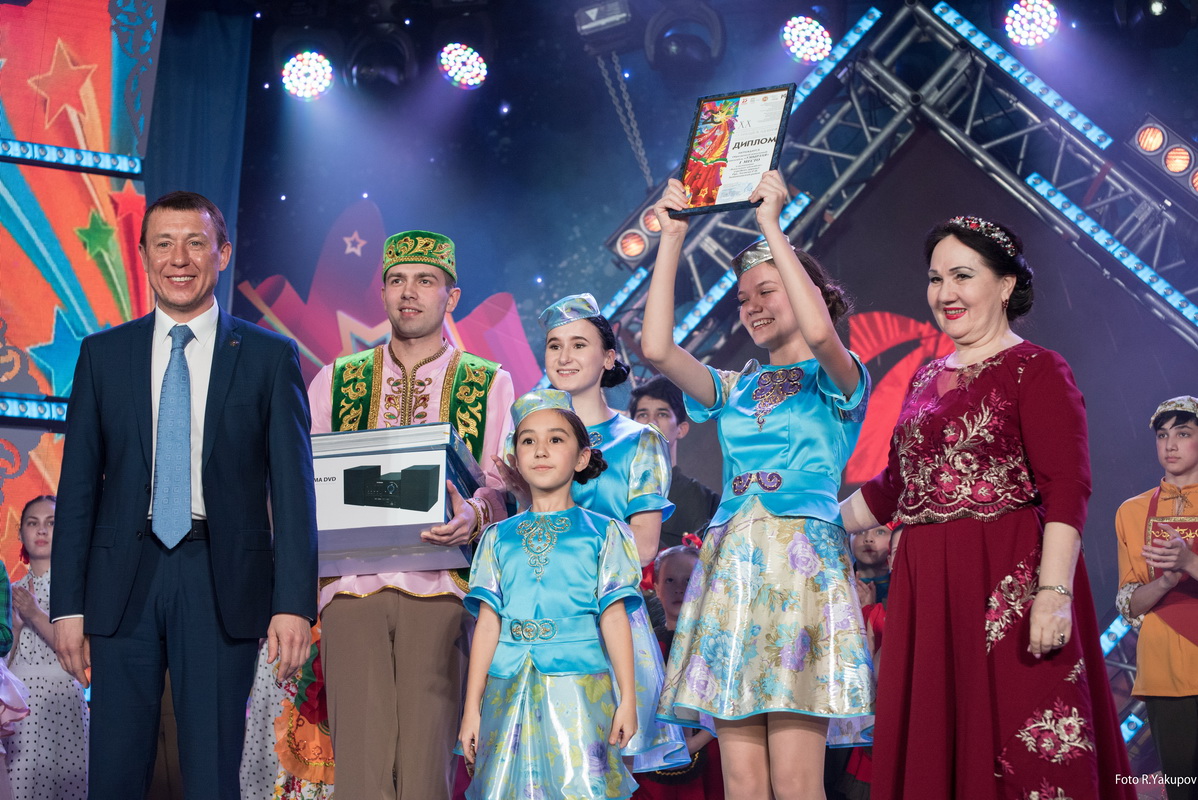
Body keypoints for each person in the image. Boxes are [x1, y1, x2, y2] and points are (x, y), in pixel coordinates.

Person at [838, 215, 1133, 800]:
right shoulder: (925, 378)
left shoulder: (1038, 368)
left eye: (962, 276)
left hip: (1008, 581)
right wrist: (802, 518)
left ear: (1005, 285)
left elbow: (1067, 487)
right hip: (927, 588)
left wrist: (1054, 593)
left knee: (1025, 741)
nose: (945, 292)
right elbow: (892, 487)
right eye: (935, 278)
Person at [51, 190, 318, 799]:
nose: (179, 258)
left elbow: (294, 491)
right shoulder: (103, 355)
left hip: (221, 581)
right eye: (164, 244)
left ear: (222, 253)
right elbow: (78, 489)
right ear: (143, 255)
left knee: (211, 774)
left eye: (196, 243)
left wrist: (294, 602)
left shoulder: (269, 357)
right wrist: (67, 605)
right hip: (121, 581)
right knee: (114, 772)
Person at [643, 170, 873, 800]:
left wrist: (772, 223)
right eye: (743, 298)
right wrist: (671, 238)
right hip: (733, 569)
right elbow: (658, 348)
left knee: (797, 780)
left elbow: (820, 334)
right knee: (741, 781)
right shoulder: (733, 388)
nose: (752, 306)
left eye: (767, 290)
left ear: (804, 292)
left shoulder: (839, 378)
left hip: (801, 569)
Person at [306, 229, 515, 799]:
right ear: (382, 292)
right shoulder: (337, 378)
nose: (409, 292)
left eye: (426, 280)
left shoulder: (488, 382)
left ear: (452, 296)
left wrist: (475, 514)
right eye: (397, 280)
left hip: (445, 587)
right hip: (351, 588)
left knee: (427, 770)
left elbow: (504, 486)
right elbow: (307, 479)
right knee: (360, 772)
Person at [509, 292, 688, 771]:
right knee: (539, 767)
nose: (564, 356)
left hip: (602, 617)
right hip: (535, 614)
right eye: (554, 345)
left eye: (579, 344)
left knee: (602, 768)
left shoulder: (638, 440)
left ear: (608, 358)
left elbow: (644, 545)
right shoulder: (528, 438)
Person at [457, 388, 640, 800]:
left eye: (556, 439)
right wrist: (471, 709)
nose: (541, 450)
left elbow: (614, 617)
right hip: (507, 685)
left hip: (580, 685)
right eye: (528, 441)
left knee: (581, 788)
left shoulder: (605, 532)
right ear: (516, 457)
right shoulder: (496, 537)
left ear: (581, 457)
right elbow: (488, 624)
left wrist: (628, 699)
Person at [1115, 395, 1198, 799]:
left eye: (1183, 433)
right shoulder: (1131, 511)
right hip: (1165, 671)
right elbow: (1128, 603)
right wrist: (1165, 582)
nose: (1170, 444)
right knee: (1182, 789)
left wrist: (1189, 562)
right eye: (1163, 435)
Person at [7, 495, 89, 797]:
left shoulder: (79, 590)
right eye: (33, 523)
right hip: (19, 708)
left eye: (51, 523)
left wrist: (34, 614)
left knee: (69, 785)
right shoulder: (10, 591)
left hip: (63, 699)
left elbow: (80, 652)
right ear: (20, 533)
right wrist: (15, 629)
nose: (41, 530)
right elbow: (3, 666)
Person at [634, 545, 725, 800]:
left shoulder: (715, 645)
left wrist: (695, 743)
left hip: (708, 754)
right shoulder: (647, 645)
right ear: (656, 587)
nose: (679, 588)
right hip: (654, 755)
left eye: (688, 580)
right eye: (670, 580)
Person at [629, 377, 721, 551]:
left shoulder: (706, 501)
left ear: (681, 429)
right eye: (643, 415)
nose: (651, 422)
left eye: (662, 414)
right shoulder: (613, 490)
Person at [850, 524, 892, 608]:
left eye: (880, 532)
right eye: (860, 531)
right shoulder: (835, 585)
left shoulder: (903, 589)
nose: (868, 539)